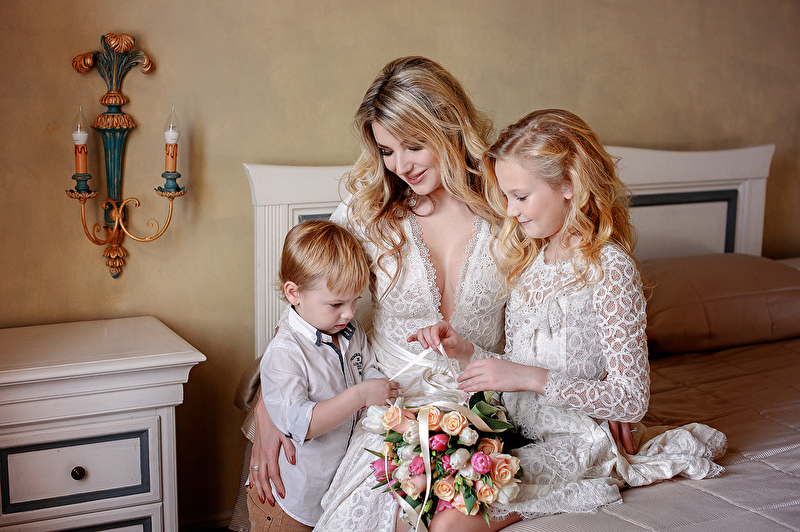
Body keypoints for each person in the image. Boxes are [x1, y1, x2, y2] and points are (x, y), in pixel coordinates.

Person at [413, 109, 728, 531]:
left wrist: (529, 378)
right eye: (506, 197)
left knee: (452, 520)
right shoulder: (529, 260)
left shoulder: (609, 269)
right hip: (514, 426)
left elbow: (632, 400)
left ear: (568, 185)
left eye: (520, 196)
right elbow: (516, 366)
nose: (510, 211)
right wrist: (466, 350)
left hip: (577, 439)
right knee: (421, 491)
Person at [248, 56, 508, 532]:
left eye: (414, 145)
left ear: (450, 128)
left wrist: (600, 387)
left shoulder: (510, 205)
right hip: (390, 408)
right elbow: (308, 298)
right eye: (387, 150)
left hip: (487, 406)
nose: (400, 166)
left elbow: (557, 308)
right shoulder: (369, 209)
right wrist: (268, 406)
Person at [250, 220, 400, 531]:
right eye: (336, 304)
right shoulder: (285, 353)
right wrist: (361, 396)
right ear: (294, 293)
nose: (349, 313)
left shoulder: (348, 331)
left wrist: (379, 389)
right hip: (290, 503)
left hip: (330, 492)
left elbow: (367, 368)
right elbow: (302, 425)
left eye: (355, 301)